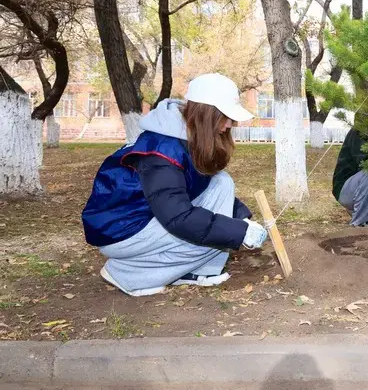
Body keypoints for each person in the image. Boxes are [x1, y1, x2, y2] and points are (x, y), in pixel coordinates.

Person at [82, 73, 269, 297]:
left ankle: (194, 271)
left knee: (221, 182)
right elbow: (178, 218)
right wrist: (239, 232)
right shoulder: (163, 149)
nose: (229, 125)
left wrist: (243, 220)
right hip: (121, 230)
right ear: (205, 115)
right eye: (224, 117)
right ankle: (127, 274)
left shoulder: (184, 135)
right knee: (202, 231)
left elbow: (202, 188)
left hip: (145, 218)